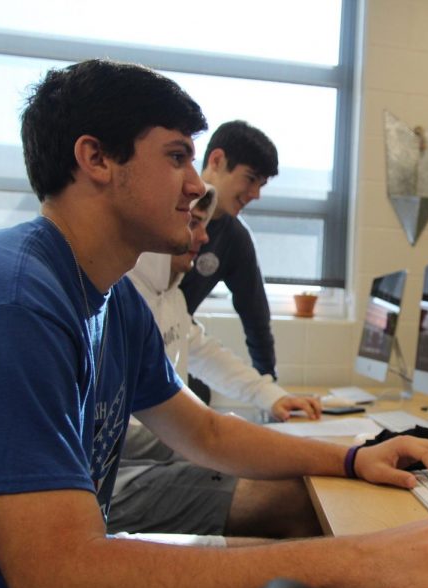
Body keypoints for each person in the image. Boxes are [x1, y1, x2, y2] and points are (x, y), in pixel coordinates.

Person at [0, 59, 428, 588]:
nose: (197, 186)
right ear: (95, 159)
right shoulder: (12, 305)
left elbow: (207, 435)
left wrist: (354, 458)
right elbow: (59, 577)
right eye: (175, 157)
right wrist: (363, 560)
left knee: (318, 552)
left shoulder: (115, 302)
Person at [110, 187, 323, 539]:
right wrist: (217, 441)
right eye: (193, 223)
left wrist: (271, 396)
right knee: (292, 500)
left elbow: (204, 352)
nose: (205, 237)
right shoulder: (123, 297)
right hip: (127, 469)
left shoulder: (170, 296)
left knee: (286, 478)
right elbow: (144, 435)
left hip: (164, 446)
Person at [179, 120, 281, 381]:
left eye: (262, 184)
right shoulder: (163, 212)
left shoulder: (235, 238)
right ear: (217, 160)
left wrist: (269, 389)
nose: (256, 193)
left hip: (175, 346)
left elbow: (256, 315)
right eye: (250, 179)